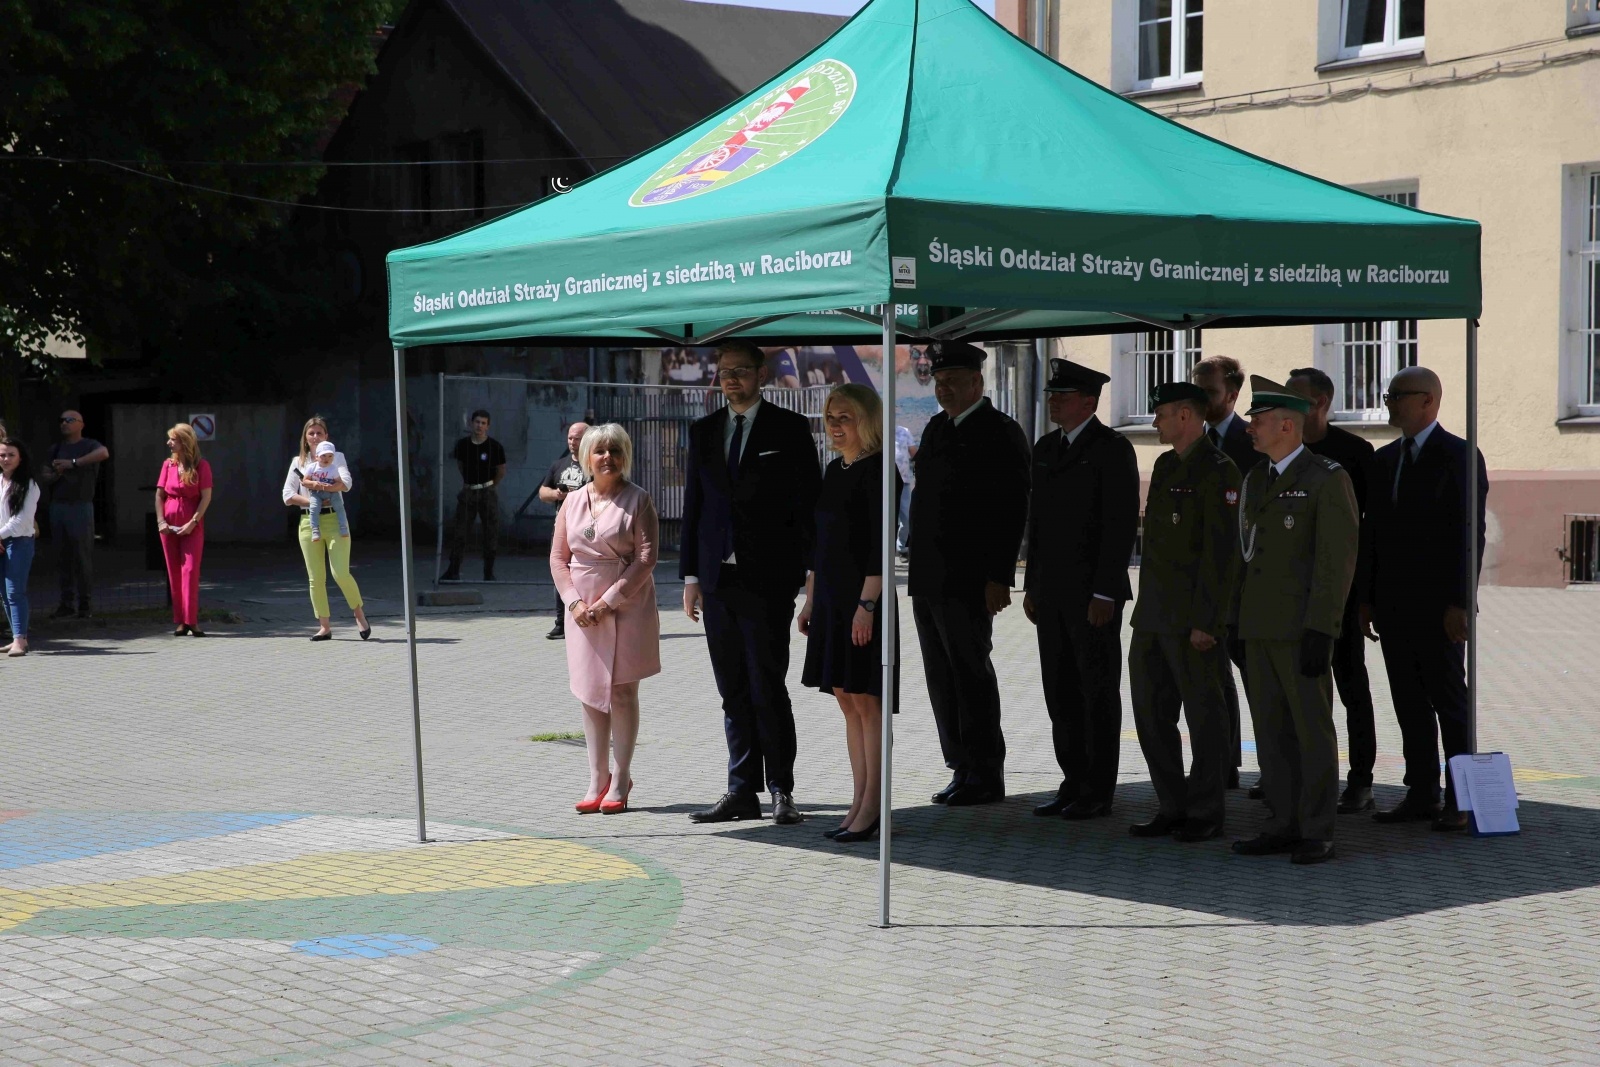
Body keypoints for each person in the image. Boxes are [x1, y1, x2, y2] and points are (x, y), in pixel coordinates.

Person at [681, 340, 822, 825]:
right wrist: (691, 577)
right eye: (724, 372)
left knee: (767, 685)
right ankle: (741, 789)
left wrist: (810, 579)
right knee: (732, 688)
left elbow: (808, 509)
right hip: (718, 579)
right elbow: (694, 509)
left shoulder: (789, 428)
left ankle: (782, 789)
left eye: (741, 371)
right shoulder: (703, 432)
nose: (731, 379)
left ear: (761, 374)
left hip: (768, 580)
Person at [1229, 376, 1359, 866]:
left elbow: (1335, 562)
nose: (1250, 429)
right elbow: (1245, 556)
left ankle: (1318, 829)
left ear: (1288, 424)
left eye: (1258, 421)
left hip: (1300, 628)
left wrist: (1323, 629)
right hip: (1259, 626)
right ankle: (1281, 822)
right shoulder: (1257, 478)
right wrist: (1234, 623)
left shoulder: (1326, 478)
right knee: (1270, 730)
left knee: (1311, 732)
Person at [1361, 365, 1488, 833]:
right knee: (1408, 701)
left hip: (1439, 609)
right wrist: (1366, 598)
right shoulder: (1384, 458)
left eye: (1398, 396)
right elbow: (1372, 533)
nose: (1389, 403)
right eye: (1389, 395)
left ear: (1429, 401)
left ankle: (1462, 797)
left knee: (1449, 701)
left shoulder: (1458, 455)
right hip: (1394, 604)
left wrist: (1460, 602)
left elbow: (1467, 534)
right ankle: (1421, 791)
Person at [910, 341, 1031, 806]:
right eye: (939, 383)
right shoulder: (938, 428)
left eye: (954, 382)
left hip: (970, 579)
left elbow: (1012, 508)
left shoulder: (1000, 432)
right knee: (940, 676)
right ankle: (960, 765)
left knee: (970, 673)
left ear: (978, 383)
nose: (945, 391)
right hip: (929, 577)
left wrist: (999, 575)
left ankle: (986, 772)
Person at [1022, 358, 1139, 821]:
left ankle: (1098, 788)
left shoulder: (1111, 448)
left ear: (1088, 402)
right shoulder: (1046, 447)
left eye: (1062, 396)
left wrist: (1107, 593)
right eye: (1051, 394)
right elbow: (1039, 524)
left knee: (1096, 691)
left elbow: (1119, 525)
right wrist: (1030, 584)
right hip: (1051, 593)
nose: (1053, 401)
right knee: (1060, 692)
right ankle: (1072, 780)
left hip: (1092, 595)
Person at [1126, 382, 1242, 842]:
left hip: (1193, 622)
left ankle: (1206, 810)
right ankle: (1172, 805)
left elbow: (1222, 553)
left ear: (1187, 417)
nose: (1154, 422)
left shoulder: (1219, 470)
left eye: (1162, 414)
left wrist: (1208, 621)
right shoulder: (1166, 463)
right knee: (1151, 717)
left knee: (1205, 717)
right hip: (1154, 616)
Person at [799, 384, 903, 844]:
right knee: (845, 696)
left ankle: (874, 806)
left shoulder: (881, 471)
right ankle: (858, 800)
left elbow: (881, 545)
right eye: (830, 417)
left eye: (845, 417)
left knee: (867, 700)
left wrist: (867, 606)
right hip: (830, 599)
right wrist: (810, 598)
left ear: (867, 419)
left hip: (865, 598)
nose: (836, 425)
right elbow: (819, 546)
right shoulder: (833, 470)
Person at [551, 423, 661, 816]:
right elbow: (558, 559)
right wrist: (575, 604)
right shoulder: (573, 501)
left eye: (615, 451)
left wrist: (609, 601)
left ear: (624, 456)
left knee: (621, 692)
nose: (607, 458)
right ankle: (596, 777)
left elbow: (647, 559)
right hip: (583, 612)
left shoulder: (639, 499)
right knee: (590, 693)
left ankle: (621, 776)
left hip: (627, 605)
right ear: (587, 457)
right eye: (600, 451)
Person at [1287, 368, 1379, 814]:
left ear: (1321, 403)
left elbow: (1368, 531)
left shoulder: (1354, 453)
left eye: (1296, 398)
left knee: (1350, 685)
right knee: (1296, 689)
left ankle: (1360, 780)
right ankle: (1292, 777)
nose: (1287, 406)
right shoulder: (1284, 450)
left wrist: (1363, 597)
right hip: (1290, 596)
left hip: (1339, 595)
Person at [1191, 356, 1256, 791]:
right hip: (1203, 582)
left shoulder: (1251, 442)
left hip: (1246, 584)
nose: (1199, 402)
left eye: (1208, 393)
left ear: (1233, 396)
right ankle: (1225, 762)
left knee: (1257, 678)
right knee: (1212, 677)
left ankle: (1278, 770)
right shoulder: (1189, 438)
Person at [281, 416, 371, 642]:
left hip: (334, 520)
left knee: (340, 571)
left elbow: (346, 483)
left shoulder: (336, 457)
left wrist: (323, 489)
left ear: (326, 436)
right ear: (305, 437)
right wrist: (313, 501)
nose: (315, 437)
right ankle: (324, 626)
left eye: (319, 433)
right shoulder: (298, 462)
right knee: (315, 578)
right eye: (311, 433)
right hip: (308, 522)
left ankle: (359, 614)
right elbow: (287, 495)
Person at [39, 410, 110, 618]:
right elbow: (45, 475)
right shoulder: (55, 449)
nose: (64, 423)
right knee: (62, 556)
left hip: (80, 506)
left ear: (81, 424)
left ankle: (85, 603)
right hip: (58, 506)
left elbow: (104, 453)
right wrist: (56, 472)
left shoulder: (89, 445)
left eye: (69, 420)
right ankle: (66, 603)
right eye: (61, 420)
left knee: (82, 555)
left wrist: (73, 463)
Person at [155, 423, 213, 637]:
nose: (169, 443)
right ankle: (180, 621)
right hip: (168, 523)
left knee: (189, 570)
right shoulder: (167, 465)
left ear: (184, 442)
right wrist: (161, 521)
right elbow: (159, 495)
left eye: (173, 439)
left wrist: (193, 522)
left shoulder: (201, 466)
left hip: (192, 523)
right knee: (173, 571)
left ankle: (192, 620)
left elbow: (206, 497)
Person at [440, 409, 507, 583]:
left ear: (488, 426)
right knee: (460, 531)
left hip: (487, 492)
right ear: (471, 423)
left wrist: (490, 485)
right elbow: (460, 466)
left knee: (490, 532)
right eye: (477, 422)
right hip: (468, 491)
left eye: (483, 423)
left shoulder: (495, 447)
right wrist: (469, 484)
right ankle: (453, 570)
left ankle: (488, 572)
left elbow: (501, 470)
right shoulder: (463, 445)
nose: (479, 426)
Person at [538, 421, 591, 639]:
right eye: (570, 438)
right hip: (562, 528)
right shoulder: (558, 465)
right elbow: (543, 492)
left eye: (577, 438)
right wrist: (557, 495)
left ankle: (587, 616)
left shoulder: (593, 465)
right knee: (560, 573)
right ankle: (561, 622)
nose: (572, 442)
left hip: (586, 529)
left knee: (586, 574)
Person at [1, 439, 41, 657]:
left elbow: (21, 521)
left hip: (19, 542)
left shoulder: (29, 485)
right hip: (2, 541)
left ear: (20, 458)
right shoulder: (0, 481)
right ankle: (16, 636)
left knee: (15, 591)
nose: (5, 459)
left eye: (10, 455)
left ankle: (20, 639)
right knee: (4, 593)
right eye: (2, 455)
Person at [304, 442, 349, 542]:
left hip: (332, 493)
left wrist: (331, 487)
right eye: (323, 456)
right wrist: (315, 484)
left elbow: (339, 483)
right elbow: (305, 481)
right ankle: (315, 530)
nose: (326, 459)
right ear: (317, 457)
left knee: (339, 507)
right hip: (316, 493)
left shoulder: (333, 468)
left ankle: (343, 527)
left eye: (330, 456)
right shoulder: (312, 467)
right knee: (314, 508)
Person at [893, 423, 916, 558]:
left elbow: (914, 453)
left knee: (906, 516)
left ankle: (902, 548)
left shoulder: (904, 431)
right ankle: (885, 549)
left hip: (904, 481)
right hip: (883, 482)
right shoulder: (877, 431)